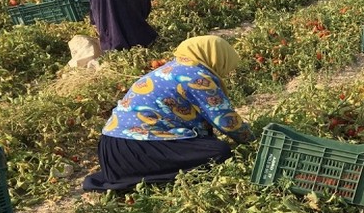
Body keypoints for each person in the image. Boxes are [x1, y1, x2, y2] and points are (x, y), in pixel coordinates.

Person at [83, 35, 255, 191]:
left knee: (208, 144)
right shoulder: (197, 77)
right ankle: (142, 178)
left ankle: (131, 175)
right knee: (219, 151)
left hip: (112, 148)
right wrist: (254, 142)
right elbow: (227, 122)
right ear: (218, 58)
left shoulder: (175, 68)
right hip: (134, 148)